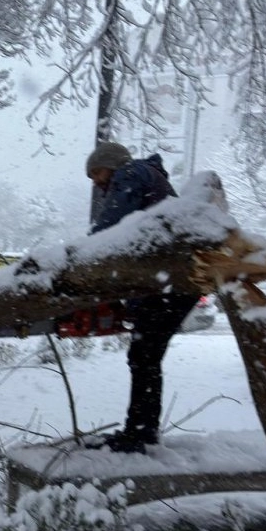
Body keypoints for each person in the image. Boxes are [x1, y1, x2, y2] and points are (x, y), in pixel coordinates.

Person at [84, 141, 199, 454]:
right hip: (176, 283)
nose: (96, 181)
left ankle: (139, 434)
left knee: (144, 356)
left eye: (97, 172)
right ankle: (141, 430)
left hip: (171, 284)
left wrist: (82, 256)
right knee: (145, 357)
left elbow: (111, 227)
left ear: (112, 163)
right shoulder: (152, 180)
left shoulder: (132, 172)